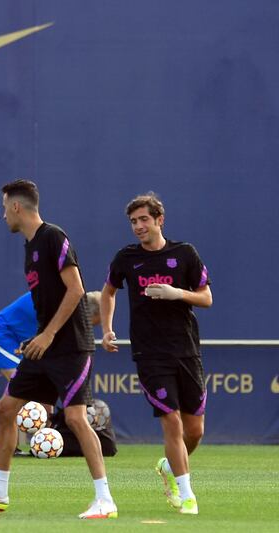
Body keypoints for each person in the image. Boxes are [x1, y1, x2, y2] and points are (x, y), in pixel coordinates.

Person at [0, 179, 117, 519]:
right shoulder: (30, 248)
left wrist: (48, 335)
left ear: (16, 207)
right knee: (4, 408)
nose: (2, 216)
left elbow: (76, 291)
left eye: (3, 208)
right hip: (43, 347)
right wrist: (37, 338)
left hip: (71, 346)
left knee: (74, 417)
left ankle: (104, 499)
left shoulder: (53, 237)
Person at [100, 192, 211, 515]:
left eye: (144, 219)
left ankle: (169, 465)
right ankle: (187, 495)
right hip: (150, 353)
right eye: (133, 221)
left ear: (159, 220)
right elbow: (108, 292)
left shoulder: (184, 253)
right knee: (171, 423)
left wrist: (176, 293)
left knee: (195, 431)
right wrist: (107, 329)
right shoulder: (127, 258)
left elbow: (206, 298)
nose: (138, 226)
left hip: (187, 349)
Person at [0, 291, 102, 454]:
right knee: (19, 392)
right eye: (92, 323)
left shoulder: (68, 306)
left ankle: (44, 443)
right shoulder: (58, 303)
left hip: (30, 339)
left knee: (44, 396)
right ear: (87, 313)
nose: (89, 327)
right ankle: (12, 447)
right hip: (2, 334)